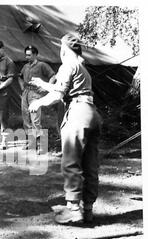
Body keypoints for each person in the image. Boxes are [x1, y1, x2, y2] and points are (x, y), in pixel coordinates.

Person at [29, 34, 102, 224]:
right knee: (90, 163)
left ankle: (73, 210)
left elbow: (59, 94)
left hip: (77, 113)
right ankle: (87, 209)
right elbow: (67, 89)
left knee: (71, 162)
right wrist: (43, 84)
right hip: (91, 113)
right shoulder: (83, 69)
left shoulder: (67, 65)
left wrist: (39, 102)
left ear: (64, 49)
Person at [18, 45, 56, 154]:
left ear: (35, 55)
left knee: (35, 119)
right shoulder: (25, 66)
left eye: (29, 55)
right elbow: (19, 77)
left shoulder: (42, 65)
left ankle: (41, 145)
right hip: (26, 93)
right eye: (26, 55)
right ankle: (31, 142)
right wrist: (21, 87)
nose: (27, 57)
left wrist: (47, 87)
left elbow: (52, 76)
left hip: (36, 94)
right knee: (26, 118)